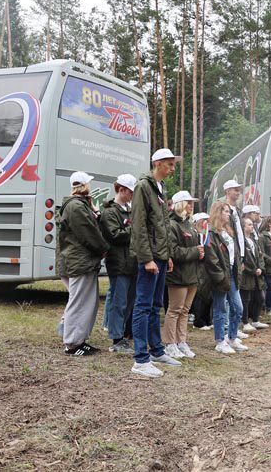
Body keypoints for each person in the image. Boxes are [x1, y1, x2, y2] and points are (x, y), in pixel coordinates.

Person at [130, 148, 182, 378]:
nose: (172, 168)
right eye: (170, 164)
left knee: (155, 305)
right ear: (158, 163)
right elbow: (139, 225)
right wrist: (147, 258)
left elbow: (162, 227)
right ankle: (140, 359)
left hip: (160, 257)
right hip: (150, 258)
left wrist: (167, 254)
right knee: (143, 305)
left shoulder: (160, 188)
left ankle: (157, 351)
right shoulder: (143, 187)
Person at [58, 171, 110, 356]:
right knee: (79, 302)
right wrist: (104, 248)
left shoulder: (79, 205)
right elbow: (89, 233)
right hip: (79, 260)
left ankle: (79, 340)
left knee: (86, 302)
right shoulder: (76, 207)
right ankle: (72, 343)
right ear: (84, 186)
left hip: (83, 260)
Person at [162, 191, 203, 359]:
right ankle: (169, 344)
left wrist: (199, 252)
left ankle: (181, 341)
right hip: (178, 275)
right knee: (175, 309)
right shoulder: (172, 224)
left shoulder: (189, 224)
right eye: (188, 202)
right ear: (180, 204)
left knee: (185, 310)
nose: (192, 205)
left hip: (191, 274)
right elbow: (173, 251)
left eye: (192, 203)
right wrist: (195, 251)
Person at [99, 174, 137, 355]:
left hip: (132, 263)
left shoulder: (129, 210)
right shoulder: (110, 212)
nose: (132, 195)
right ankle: (116, 338)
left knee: (129, 302)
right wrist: (135, 227)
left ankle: (124, 333)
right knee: (118, 302)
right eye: (130, 191)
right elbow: (115, 235)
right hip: (119, 263)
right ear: (121, 189)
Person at [207, 200, 247, 353]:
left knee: (238, 308)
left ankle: (232, 337)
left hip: (232, 272)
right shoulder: (212, 233)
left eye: (229, 212)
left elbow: (235, 253)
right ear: (218, 212)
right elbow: (212, 258)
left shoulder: (228, 231)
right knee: (220, 308)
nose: (228, 214)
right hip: (220, 274)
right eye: (225, 211)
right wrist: (220, 276)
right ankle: (220, 340)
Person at [240, 217, 269, 332]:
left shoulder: (254, 240)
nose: (252, 226)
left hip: (258, 275)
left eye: (252, 224)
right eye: (249, 224)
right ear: (243, 226)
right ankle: (245, 321)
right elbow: (241, 260)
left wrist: (261, 268)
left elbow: (260, 255)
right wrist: (251, 270)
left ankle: (256, 320)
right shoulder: (241, 241)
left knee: (260, 297)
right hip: (247, 276)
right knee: (246, 299)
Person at [191, 212, 214, 330]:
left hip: (207, 266)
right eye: (204, 220)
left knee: (209, 294)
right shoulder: (194, 234)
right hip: (198, 267)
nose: (207, 222)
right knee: (200, 294)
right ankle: (198, 321)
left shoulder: (207, 235)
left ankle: (207, 319)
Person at [259, 214, 271, 318]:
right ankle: (269, 308)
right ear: (270, 224)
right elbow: (261, 252)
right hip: (268, 267)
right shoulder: (263, 236)